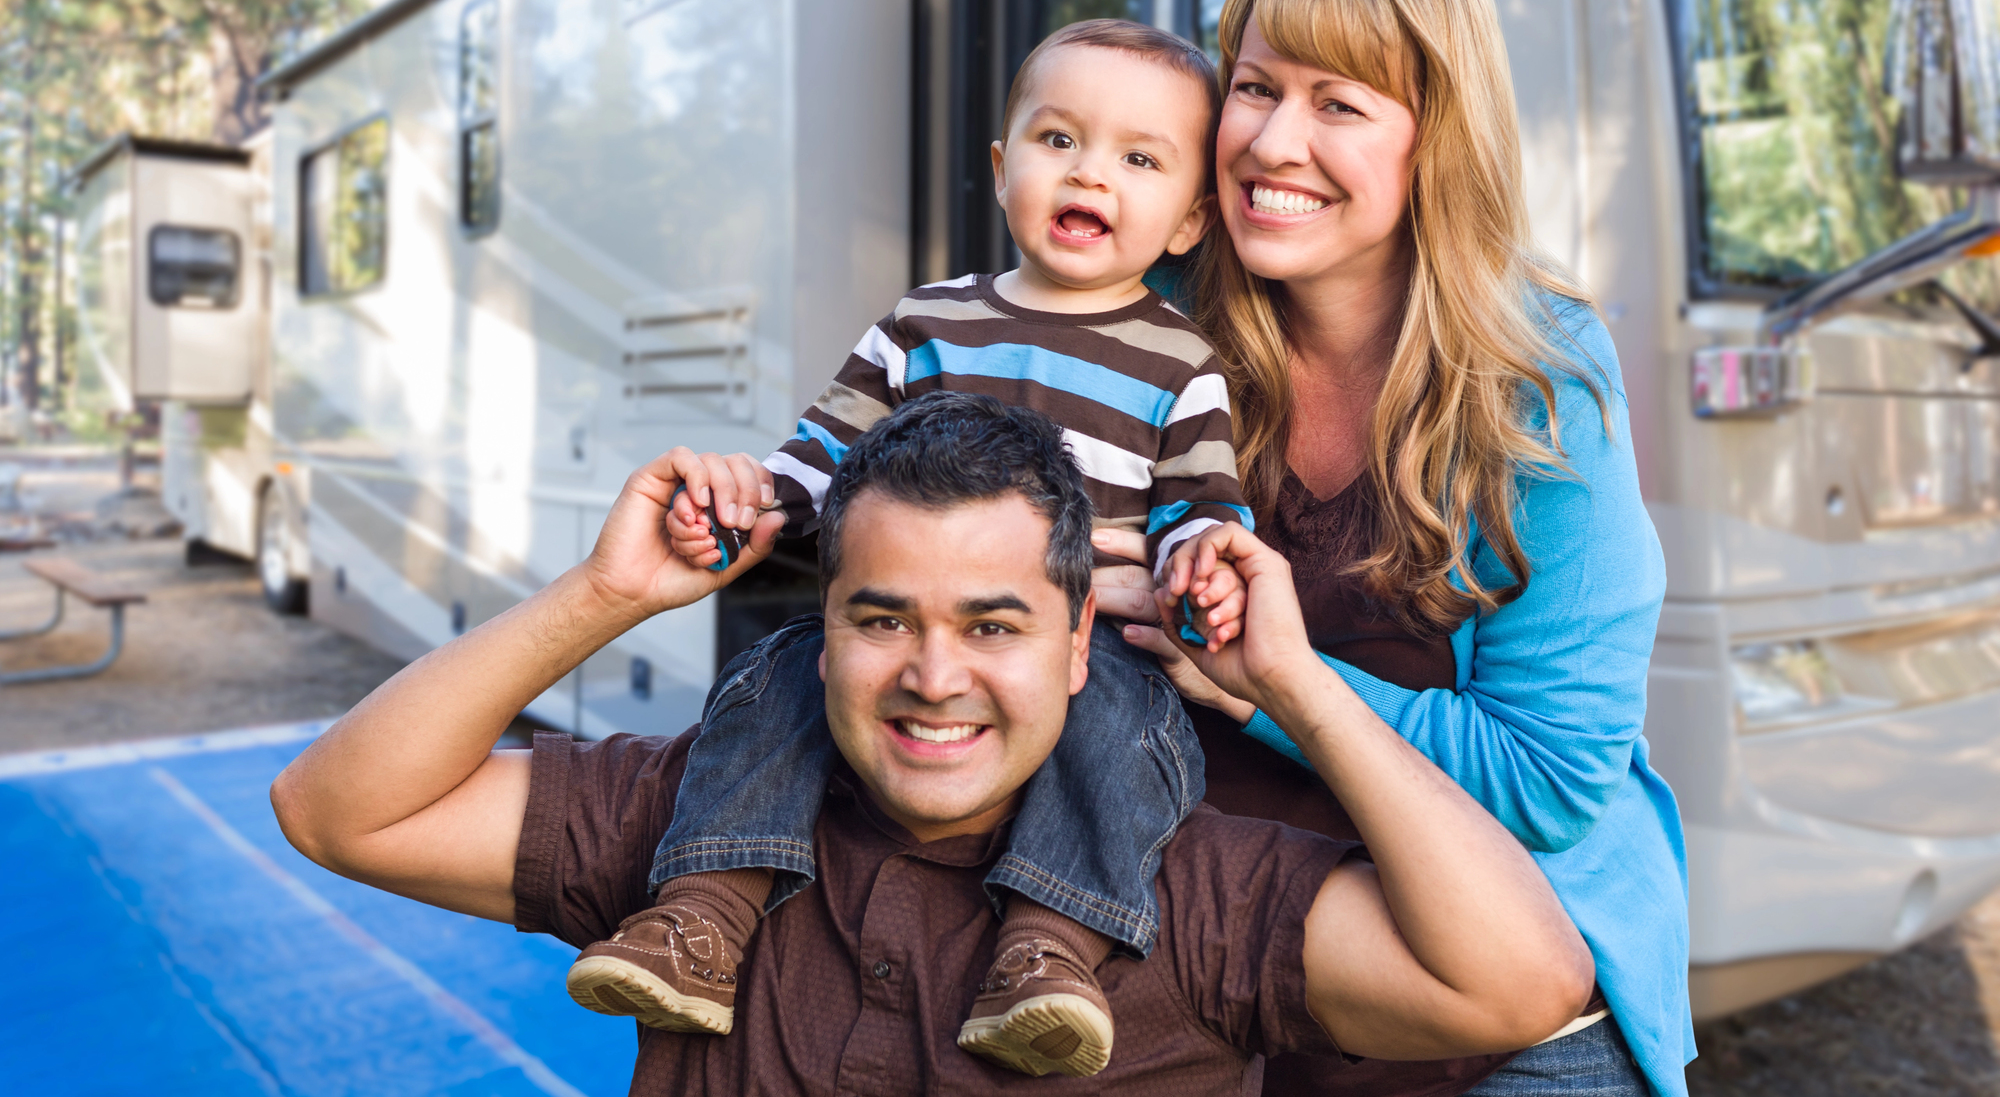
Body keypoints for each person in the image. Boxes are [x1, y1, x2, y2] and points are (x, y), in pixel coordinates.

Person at [269, 392, 1595, 1094]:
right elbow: (339, 810)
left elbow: (1520, 985)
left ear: (1080, 643)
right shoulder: (701, 833)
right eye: (883, 619)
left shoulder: (1185, 891)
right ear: (823, 630)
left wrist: (1300, 691)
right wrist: (605, 597)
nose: (934, 677)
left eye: (994, 625)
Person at [572, 18, 1254, 1077]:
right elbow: (818, 454)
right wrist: (746, 502)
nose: (1089, 174)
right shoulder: (925, 321)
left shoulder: (1182, 361)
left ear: (1187, 222)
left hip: (1084, 648)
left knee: (1125, 728)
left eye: (1137, 158)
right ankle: (702, 914)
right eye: (1056, 139)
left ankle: (1048, 948)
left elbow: (1202, 505)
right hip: (910, 622)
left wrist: (1201, 560)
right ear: (1000, 168)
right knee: (777, 679)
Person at [1096, 0, 1692, 1097]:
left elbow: (1545, 780)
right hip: (1210, 947)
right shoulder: (1140, 315)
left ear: (1437, 142)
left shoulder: (1537, 377)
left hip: (1500, 984)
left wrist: (1266, 683)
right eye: (1255, 88)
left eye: (1339, 106)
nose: (1272, 142)